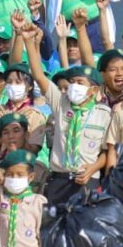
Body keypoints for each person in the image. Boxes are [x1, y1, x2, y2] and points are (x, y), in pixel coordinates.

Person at [20, 23, 111, 206]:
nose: (73, 86)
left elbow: (106, 152)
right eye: (71, 82)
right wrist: (29, 42)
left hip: (87, 180)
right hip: (59, 180)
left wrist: (92, 169)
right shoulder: (61, 103)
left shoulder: (104, 113)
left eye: (79, 82)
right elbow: (38, 75)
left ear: (93, 90)